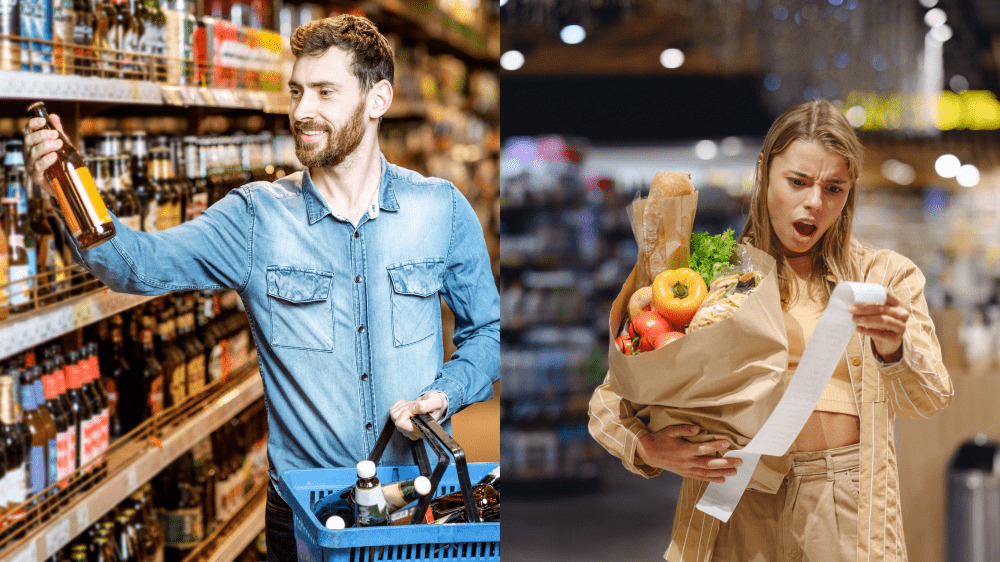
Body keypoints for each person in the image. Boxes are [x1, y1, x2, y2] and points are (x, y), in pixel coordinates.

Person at [22, 15, 500, 561]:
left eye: (324, 92)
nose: (301, 111)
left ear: (378, 99)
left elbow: (487, 333)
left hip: (417, 510)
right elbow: (139, 266)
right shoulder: (255, 219)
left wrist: (447, 394)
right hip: (308, 515)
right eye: (297, 92)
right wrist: (69, 191)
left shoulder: (439, 209)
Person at [588, 99, 952, 561]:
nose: (814, 203)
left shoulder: (884, 278)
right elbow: (608, 400)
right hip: (731, 495)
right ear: (764, 170)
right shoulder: (708, 274)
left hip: (841, 502)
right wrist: (644, 448)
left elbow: (931, 395)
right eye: (797, 182)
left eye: (834, 188)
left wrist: (893, 347)